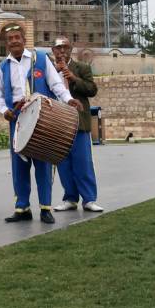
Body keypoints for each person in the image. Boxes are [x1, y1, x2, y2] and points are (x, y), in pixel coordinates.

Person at [0, 24, 81, 224]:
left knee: (43, 163)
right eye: (10, 38)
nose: (14, 40)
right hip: (17, 122)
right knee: (19, 167)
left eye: (17, 37)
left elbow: (56, 84)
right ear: (6, 44)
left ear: (24, 40)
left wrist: (68, 100)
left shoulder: (40, 59)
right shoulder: (2, 67)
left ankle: (45, 208)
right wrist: (4, 111)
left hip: (42, 119)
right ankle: (22, 207)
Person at [51, 37, 103, 213]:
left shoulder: (82, 68)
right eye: (59, 48)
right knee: (63, 164)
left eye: (65, 47)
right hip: (58, 122)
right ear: (53, 51)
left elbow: (92, 89)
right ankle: (70, 198)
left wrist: (73, 78)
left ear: (70, 49)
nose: (62, 51)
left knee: (83, 162)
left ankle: (89, 199)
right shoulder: (48, 70)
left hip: (78, 122)